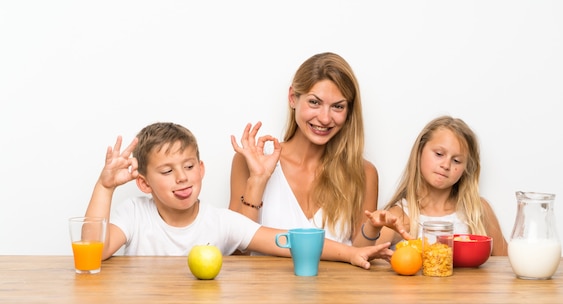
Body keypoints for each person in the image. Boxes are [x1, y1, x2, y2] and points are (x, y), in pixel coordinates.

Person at [84, 122, 392, 269]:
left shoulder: (223, 222)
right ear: (144, 184)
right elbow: (91, 252)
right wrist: (105, 186)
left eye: (189, 166)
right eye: (167, 172)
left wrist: (352, 253)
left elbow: (292, 239)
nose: (182, 177)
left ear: (201, 169)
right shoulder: (134, 214)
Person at [229, 52, 378, 247]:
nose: (325, 118)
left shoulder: (364, 173)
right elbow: (236, 254)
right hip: (265, 279)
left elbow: (361, 256)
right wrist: (257, 181)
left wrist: (375, 228)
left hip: (337, 279)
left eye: (338, 107)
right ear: (293, 98)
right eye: (314, 102)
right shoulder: (250, 162)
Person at [355, 115, 508, 256]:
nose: (446, 165)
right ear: (420, 151)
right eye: (439, 154)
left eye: (456, 161)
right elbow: (359, 255)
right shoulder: (401, 217)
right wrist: (372, 227)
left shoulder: (477, 212)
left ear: (466, 168)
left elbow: (505, 265)